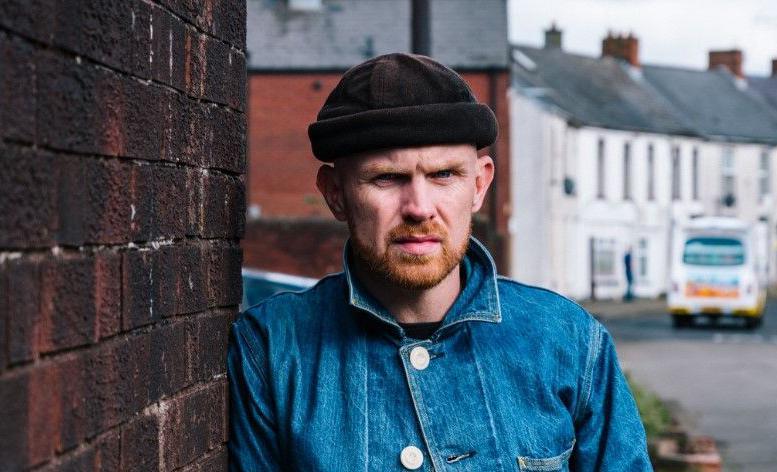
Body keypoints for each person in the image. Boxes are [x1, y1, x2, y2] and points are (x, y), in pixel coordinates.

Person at [228, 53, 652, 471]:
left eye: (444, 175)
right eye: (386, 178)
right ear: (335, 192)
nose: (419, 208)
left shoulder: (570, 341)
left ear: (480, 183)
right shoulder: (270, 350)